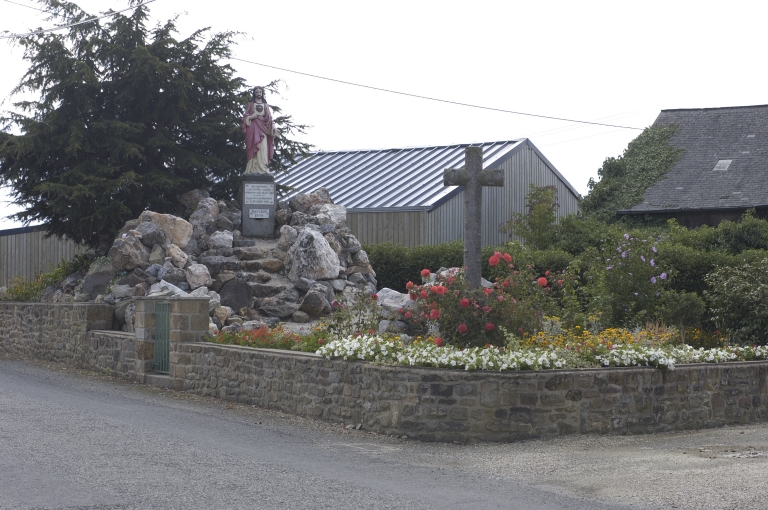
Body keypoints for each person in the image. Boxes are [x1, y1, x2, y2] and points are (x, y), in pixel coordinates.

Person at [241, 86, 279, 174]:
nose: (258, 94)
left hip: (264, 129)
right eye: (257, 92)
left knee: (263, 148)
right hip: (253, 128)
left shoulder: (265, 105)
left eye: (260, 92)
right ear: (254, 93)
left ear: (262, 94)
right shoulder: (251, 104)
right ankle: (253, 169)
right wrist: (251, 117)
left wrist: (273, 128)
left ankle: (263, 169)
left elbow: (269, 118)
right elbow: (245, 117)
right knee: (254, 146)